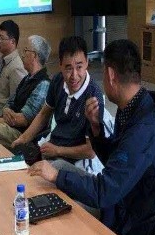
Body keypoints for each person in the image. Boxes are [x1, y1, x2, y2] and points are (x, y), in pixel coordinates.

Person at [28, 39, 155, 235]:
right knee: (57, 171)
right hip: (119, 201)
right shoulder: (135, 106)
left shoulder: (142, 129)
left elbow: (104, 192)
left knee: (56, 205)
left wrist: (57, 176)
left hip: (128, 225)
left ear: (111, 75)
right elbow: (117, 160)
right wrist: (96, 128)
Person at [12, 36, 103, 167]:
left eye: (79, 67)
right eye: (68, 68)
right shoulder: (58, 81)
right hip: (51, 150)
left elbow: (90, 151)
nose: (74, 75)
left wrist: (57, 150)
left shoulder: (93, 97)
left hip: (75, 163)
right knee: (14, 156)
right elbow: (44, 114)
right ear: (60, 65)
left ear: (87, 63)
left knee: (39, 172)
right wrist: (23, 138)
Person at [0, 35, 51, 148]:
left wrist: (3, 119)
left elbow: (23, 119)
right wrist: (7, 112)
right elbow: (9, 104)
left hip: (19, 135)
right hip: (8, 126)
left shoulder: (43, 84)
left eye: (25, 50)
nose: (22, 54)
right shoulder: (27, 78)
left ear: (34, 55)